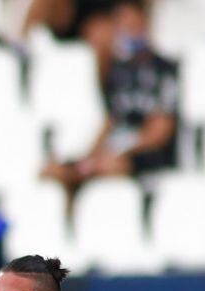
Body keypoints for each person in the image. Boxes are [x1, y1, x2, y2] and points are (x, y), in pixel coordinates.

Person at [40, 0, 177, 211]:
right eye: (122, 23)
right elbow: (111, 120)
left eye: (132, 22)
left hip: (148, 155)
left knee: (110, 167)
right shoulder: (117, 72)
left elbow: (160, 131)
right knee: (55, 170)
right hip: (116, 150)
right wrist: (90, 157)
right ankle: (68, 228)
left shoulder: (163, 70)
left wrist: (120, 151)